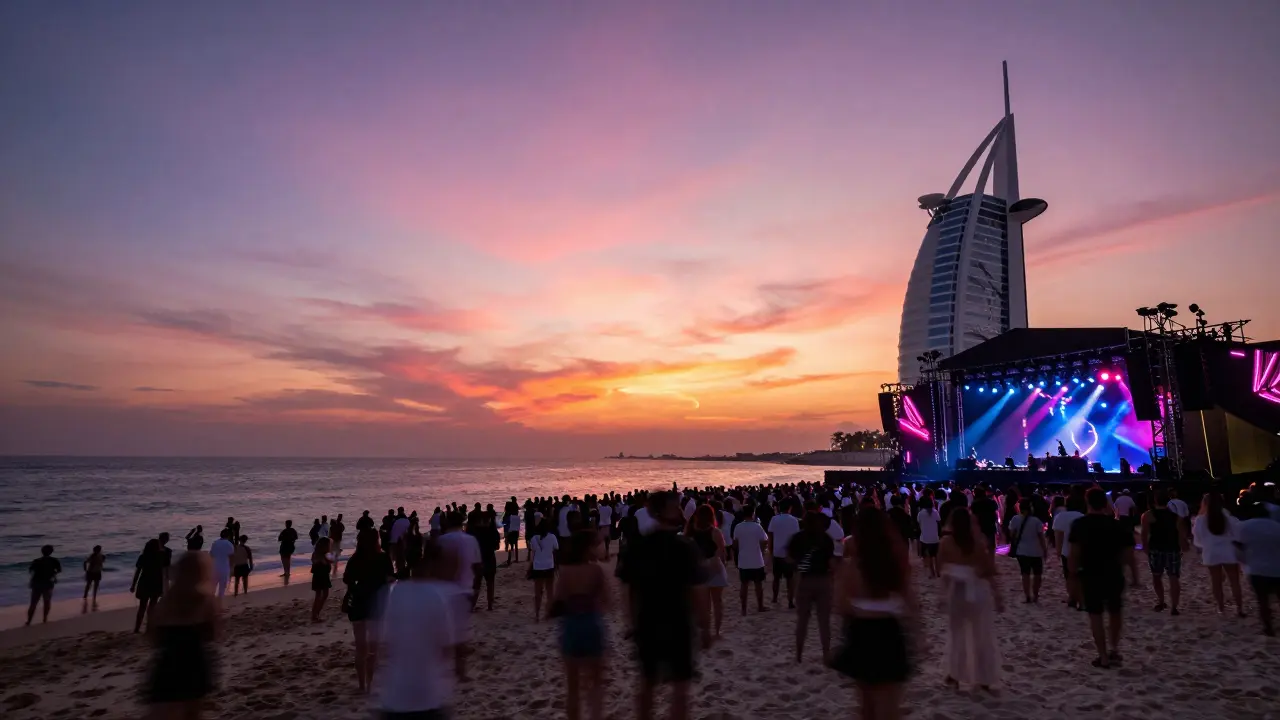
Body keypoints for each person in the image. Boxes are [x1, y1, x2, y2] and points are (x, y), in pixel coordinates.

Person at [830, 507, 915, 720]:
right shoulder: (894, 562)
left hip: (861, 633)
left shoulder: (852, 568)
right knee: (889, 705)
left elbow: (841, 605)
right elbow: (910, 602)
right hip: (889, 631)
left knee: (866, 706)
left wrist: (862, 606)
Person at [628, 492, 703, 720]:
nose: (680, 511)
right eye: (675, 507)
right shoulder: (684, 546)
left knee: (648, 684)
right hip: (676, 622)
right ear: (662, 512)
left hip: (649, 621)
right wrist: (705, 626)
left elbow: (629, 591)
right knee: (678, 688)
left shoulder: (639, 546)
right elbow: (696, 589)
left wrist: (632, 622)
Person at [374, 536, 461, 719]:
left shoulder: (393, 592)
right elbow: (445, 648)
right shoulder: (437, 595)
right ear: (431, 562)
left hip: (395, 693)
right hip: (426, 693)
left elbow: (385, 643)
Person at [142, 551, 220, 720]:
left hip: (168, 664)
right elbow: (213, 634)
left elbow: (152, 638)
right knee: (193, 714)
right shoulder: (206, 601)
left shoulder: (165, 603)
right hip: (196, 663)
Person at [1068, 487, 1136, 668]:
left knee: (1095, 615)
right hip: (1114, 572)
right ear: (1105, 504)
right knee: (1115, 612)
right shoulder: (1117, 525)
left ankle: (1103, 655)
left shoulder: (1079, 524)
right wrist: (1133, 574)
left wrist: (1072, 575)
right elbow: (1129, 554)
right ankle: (1114, 649)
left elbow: (1074, 554)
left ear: (1087, 502)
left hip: (1090, 574)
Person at [938, 507, 1002, 690]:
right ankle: (984, 678)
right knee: (982, 635)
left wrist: (942, 594)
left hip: (956, 591)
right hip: (978, 590)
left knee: (957, 635)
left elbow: (942, 569)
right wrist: (998, 595)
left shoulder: (945, 543)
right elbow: (988, 571)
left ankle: (955, 675)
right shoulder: (977, 542)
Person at [556, 529, 611, 720]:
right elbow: (606, 601)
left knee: (573, 687)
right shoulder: (596, 570)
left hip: (571, 625)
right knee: (595, 684)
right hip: (591, 623)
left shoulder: (566, 571)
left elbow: (558, 599)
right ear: (588, 548)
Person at [342, 527, 394, 693]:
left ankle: (361, 684)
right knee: (373, 647)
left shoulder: (355, 559)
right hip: (376, 604)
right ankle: (370, 684)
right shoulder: (383, 557)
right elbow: (389, 579)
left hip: (357, 603)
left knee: (360, 647)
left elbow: (347, 579)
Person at [437, 511, 482, 680]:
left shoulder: (441, 540)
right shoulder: (470, 540)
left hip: (443, 590)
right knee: (461, 632)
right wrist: (476, 588)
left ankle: (442, 667)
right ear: (462, 522)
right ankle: (460, 671)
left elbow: (435, 565)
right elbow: (478, 567)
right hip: (465, 589)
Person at [789, 511, 835, 663]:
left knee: (802, 620)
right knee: (824, 621)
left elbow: (789, 558)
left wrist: (800, 564)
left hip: (805, 580)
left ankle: (799, 654)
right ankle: (826, 653)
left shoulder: (798, 538)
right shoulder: (826, 539)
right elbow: (831, 563)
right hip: (823, 580)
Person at [1193, 491, 1244, 616]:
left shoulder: (1200, 520)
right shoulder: (1229, 518)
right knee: (1234, 581)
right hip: (1228, 551)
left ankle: (1221, 608)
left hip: (1211, 552)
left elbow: (1198, 540)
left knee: (1216, 582)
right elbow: (1237, 534)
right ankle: (1239, 609)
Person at [1235, 501, 1280, 636]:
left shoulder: (1243, 526)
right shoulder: (1277, 527)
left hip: (1256, 569)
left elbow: (1238, 547)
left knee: (1263, 601)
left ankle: (1268, 628)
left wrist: (1245, 562)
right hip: (1277, 569)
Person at [1140, 490, 1188, 615]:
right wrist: (1183, 546)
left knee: (1156, 576)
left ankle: (1161, 601)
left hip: (1156, 548)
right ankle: (1174, 607)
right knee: (1173, 577)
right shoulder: (1176, 517)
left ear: (1155, 501)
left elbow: (1144, 534)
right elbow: (1181, 535)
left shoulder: (1147, 515)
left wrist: (1145, 548)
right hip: (1172, 548)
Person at [686, 504, 728, 647]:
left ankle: (706, 631)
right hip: (715, 568)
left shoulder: (691, 532)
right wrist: (719, 563)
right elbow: (721, 551)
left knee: (704, 605)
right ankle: (717, 631)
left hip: (699, 570)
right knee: (717, 602)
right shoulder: (715, 531)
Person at [1007, 498, 1048, 603]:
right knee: (1037, 574)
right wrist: (1045, 550)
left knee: (1025, 574)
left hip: (1022, 551)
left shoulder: (1015, 519)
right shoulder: (1036, 521)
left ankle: (1027, 596)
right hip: (1036, 551)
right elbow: (1041, 538)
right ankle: (1035, 595)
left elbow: (1012, 535)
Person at [732, 503, 769, 615]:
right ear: (753, 514)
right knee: (758, 584)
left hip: (743, 559)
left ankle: (744, 609)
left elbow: (735, 544)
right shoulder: (757, 526)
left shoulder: (738, 527)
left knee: (744, 584)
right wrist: (761, 551)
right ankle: (760, 606)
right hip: (757, 559)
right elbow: (764, 540)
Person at [1052, 495, 1087, 609]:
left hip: (1066, 551)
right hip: (1081, 551)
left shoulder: (1060, 517)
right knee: (1081, 576)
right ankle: (1082, 601)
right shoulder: (1083, 516)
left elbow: (1058, 537)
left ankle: (1072, 598)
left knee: (1069, 576)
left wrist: (1058, 551)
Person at [768, 499, 801, 609]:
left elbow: (770, 537)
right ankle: (790, 601)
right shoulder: (794, 520)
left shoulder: (774, 519)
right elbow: (796, 538)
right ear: (790, 508)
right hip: (789, 553)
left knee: (776, 578)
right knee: (790, 579)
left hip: (777, 552)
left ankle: (774, 597)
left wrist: (771, 551)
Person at [131, 538, 166, 633]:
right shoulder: (161, 556)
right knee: (152, 607)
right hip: (156, 583)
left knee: (142, 607)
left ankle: (137, 628)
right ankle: (149, 628)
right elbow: (164, 571)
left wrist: (133, 585)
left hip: (145, 582)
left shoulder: (143, 556)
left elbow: (138, 572)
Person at [530, 518, 560, 622]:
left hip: (537, 567)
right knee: (549, 591)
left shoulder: (534, 538)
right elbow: (555, 550)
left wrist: (530, 566)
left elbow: (532, 554)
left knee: (538, 592)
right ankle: (548, 613)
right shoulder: (552, 537)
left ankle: (537, 614)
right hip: (549, 566)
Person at [26, 544, 61, 625]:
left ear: (42, 552)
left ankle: (29, 621)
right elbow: (59, 570)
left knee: (33, 603)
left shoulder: (36, 561)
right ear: (51, 552)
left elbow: (31, 571)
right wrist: (53, 574)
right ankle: (45, 618)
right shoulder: (55, 560)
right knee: (47, 602)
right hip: (48, 583)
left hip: (37, 583)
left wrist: (32, 581)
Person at [916, 497, 941, 579]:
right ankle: (938, 572)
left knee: (929, 556)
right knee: (936, 556)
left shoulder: (920, 514)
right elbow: (939, 520)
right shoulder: (935, 512)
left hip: (925, 538)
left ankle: (932, 573)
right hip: (935, 537)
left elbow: (919, 523)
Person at [310, 537, 333, 622]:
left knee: (319, 595)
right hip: (321, 577)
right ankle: (315, 614)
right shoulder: (323, 555)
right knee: (322, 595)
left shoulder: (317, 554)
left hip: (319, 576)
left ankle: (315, 614)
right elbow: (330, 562)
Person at [208, 529, 235, 599]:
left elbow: (211, 556)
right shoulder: (229, 544)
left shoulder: (215, 543)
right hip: (224, 568)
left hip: (214, 568)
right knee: (222, 589)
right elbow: (232, 558)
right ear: (229, 535)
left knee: (213, 587)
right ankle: (219, 604)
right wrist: (232, 568)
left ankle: (211, 603)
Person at [83, 545, 105, 612]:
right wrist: (86, 570)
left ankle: (89, 597)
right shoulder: (95, 556)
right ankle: (87, 596)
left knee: (92, 585)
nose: (95, 551)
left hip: (95, 572)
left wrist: (85, 570)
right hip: (93, 572)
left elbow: (85, 562)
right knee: (90, 585)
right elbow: (85, 562)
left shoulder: (100, 556)